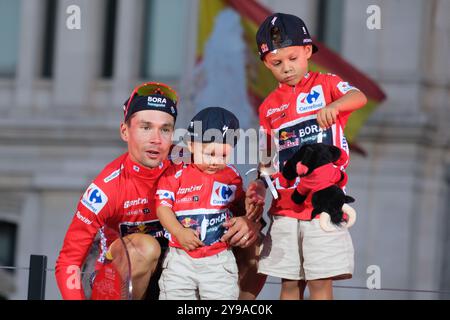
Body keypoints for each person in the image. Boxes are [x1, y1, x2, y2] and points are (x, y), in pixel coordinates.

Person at [55, 82, 261, 300]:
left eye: (165, 129)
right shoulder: (106, 189)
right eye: (145, 127)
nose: (156, 139)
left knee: (254, 243)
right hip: (119, 284)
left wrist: (249, 223)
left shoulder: (195, 160)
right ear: (125, 131)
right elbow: (68, 261)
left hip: (179, 272)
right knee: (145, 247)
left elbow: (245, 211)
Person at [254, 13, 368, 300]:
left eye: (292, 58)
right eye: (277, 63)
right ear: (266, 64)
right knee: (289, 284)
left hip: (322, 208)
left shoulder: (326, 83)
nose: (287, 68)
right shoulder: (268, 106)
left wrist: (337, 105)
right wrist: (258, 183)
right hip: (285, 209)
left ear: (307, 51)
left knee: (320, 282)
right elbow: (267, 157)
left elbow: (359, 97)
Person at [156, 107, 258, 299]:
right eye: (210, 154)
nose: (216, 161)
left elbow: (241, 208)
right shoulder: (175, 173)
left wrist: (248, 212)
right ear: (192, 145)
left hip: (219, 260)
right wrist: (179, 232)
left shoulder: (232, 176)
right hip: (180, 258)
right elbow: (162, 208)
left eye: (224, 155)